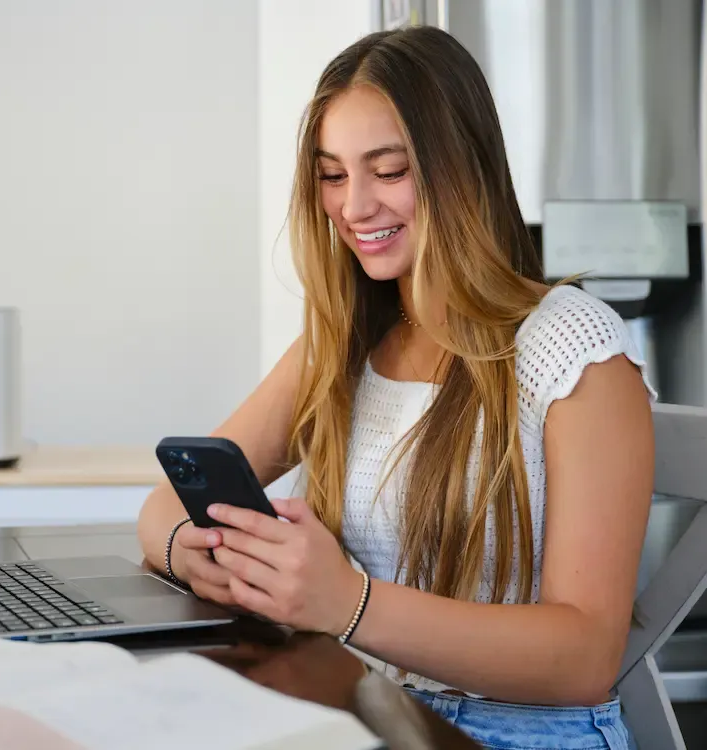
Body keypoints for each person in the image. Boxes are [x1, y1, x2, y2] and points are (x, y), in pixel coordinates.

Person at [136, 25, 655, 750]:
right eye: (333, 174)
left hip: (527, 730)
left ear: (460, 167)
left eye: (388, 169)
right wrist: (187, 545)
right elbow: (163, 505)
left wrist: (347, 603)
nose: (354, 206)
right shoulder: (344, 341)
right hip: (373, 712)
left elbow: (585, 660)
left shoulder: (572, 349)